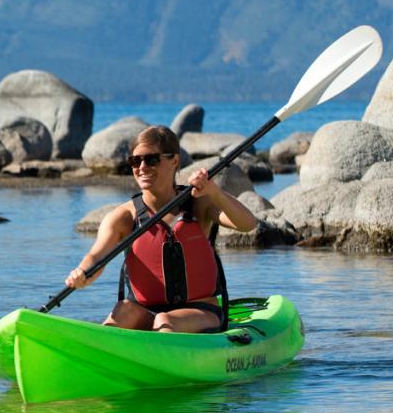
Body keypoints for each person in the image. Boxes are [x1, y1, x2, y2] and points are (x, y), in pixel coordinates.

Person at [64, 125, 256, 333]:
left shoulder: (198, 204)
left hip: (200, 312)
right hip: (145, 311)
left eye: (151, 159)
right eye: (135, 161)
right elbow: (96, 256)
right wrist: (82, 273)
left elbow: (248, 224)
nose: (142, 167)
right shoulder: (123, 217)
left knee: (166, 321)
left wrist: (214, 192)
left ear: (174, 160)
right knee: (123, 311)